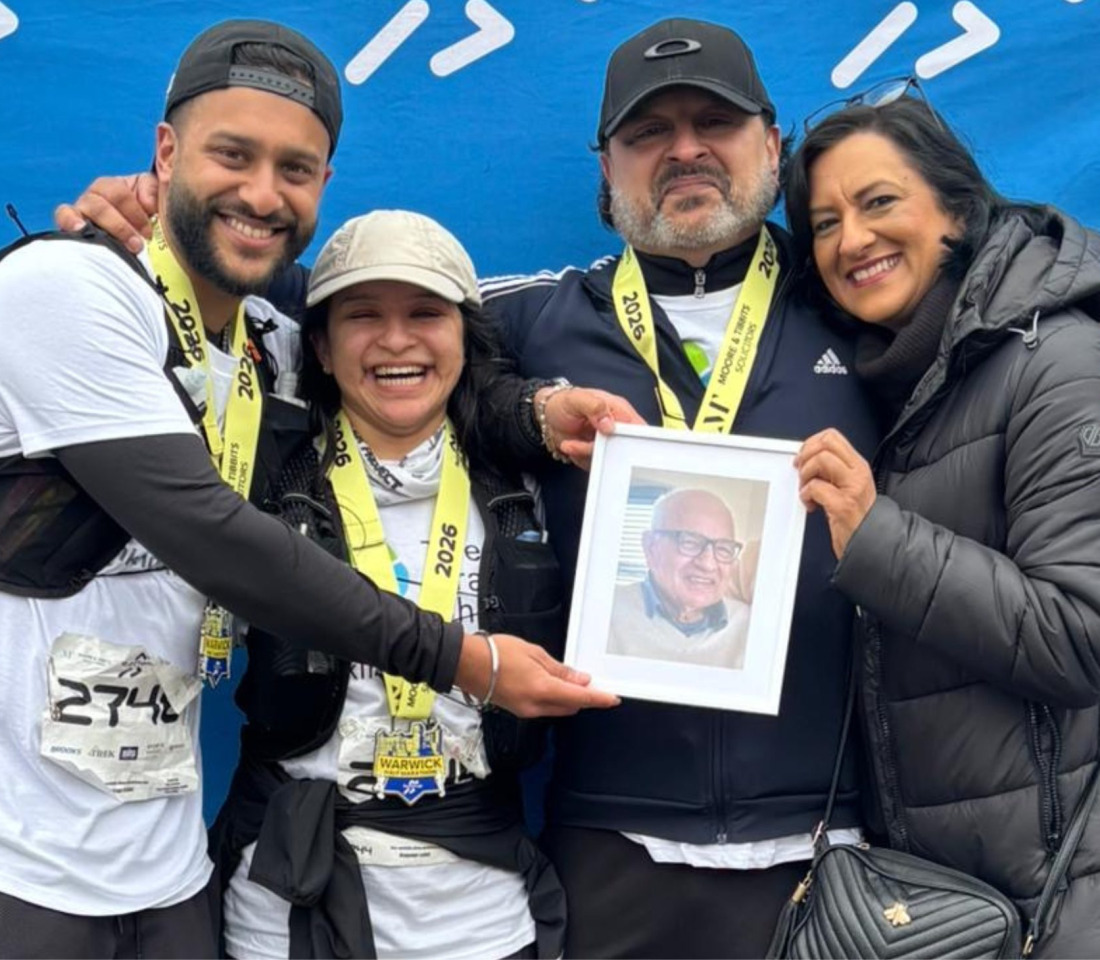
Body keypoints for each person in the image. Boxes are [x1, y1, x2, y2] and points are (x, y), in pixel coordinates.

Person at [55, 17, 882, 958]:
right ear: (605, 166)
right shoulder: (533, 310)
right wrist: (145, 224)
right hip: (603, 836)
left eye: (714, 124)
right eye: (649, 133)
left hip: (826, 835)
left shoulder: (866, 315)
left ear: (772, 144)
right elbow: (318, 305)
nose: (684, 151)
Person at [0, 21, 615, 959]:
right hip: (19, 863)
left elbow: (410, 368)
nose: (261, 192)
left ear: (323, 183)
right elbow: (206, 530)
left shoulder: (270, 349)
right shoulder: (65, 286)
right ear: (164, 154)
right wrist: (468, 661)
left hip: (167, 872)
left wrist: (529, 412)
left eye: (295, 167)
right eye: (231, 155)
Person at [786, 92, 1100, 956]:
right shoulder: (894, 381)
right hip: (935, 910)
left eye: (878, 202)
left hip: (1054, 902)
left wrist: (876, 537)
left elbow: (1081, 638)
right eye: (823, 222)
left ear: (957, 208)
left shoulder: (1060, 362)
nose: (852, 240)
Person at [212, 209, 568, 960]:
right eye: (363, 315)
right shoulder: (259, 482)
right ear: (321, 345)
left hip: (479, 911)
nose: (397, 340)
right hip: (288, 907)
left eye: (426, 314)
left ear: (467, 339)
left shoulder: (527, 494)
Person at [608, 488, 749, 670]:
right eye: (690, 542)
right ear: (651, 547)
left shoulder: (751, 626)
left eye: (723, 548)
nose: (708, 564)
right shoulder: (605, 610)